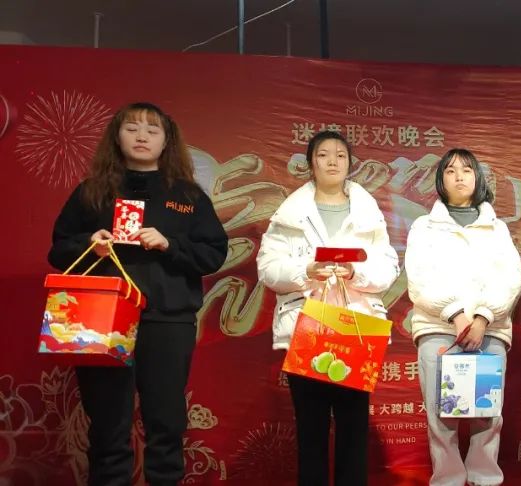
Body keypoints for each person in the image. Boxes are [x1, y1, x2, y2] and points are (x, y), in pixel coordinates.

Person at [47, 102, 228, 486]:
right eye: (131, 128)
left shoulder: (188, 196)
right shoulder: (92, 192)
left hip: (168, 319)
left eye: (152, 130)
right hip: (100, 320)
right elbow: (59, 250)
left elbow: (214, 254)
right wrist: (89, 243)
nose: (141, 136)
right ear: (117, 137)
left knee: (166, 421)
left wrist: (170, 244)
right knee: (107, 423)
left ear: (166, 141)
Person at [257, 130, 400, 486]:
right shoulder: (289, 214)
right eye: (323, 155)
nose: (332, 161)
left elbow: (388, 269)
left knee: (354, 428)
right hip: (307, 328)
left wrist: (355, 272)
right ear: (311, 164)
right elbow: (268, 269)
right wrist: (305, 270)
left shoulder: (368, 214)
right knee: (311, 429)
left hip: (355, 330)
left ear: (350, 164)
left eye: (340, 155)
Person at [404, 148, 521, 486]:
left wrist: (483, 317)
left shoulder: (496, 228)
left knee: (487, 413)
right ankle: (448, 479)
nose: (459, 176)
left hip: (489, 330)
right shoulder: (424, 227)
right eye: (451, 170)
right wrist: (455, 315)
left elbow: (511, 278)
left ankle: (484, 477)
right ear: (440, 179)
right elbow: (419, 278)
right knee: (441, 413)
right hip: (439, 329)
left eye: (467, 170)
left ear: (477, 178)